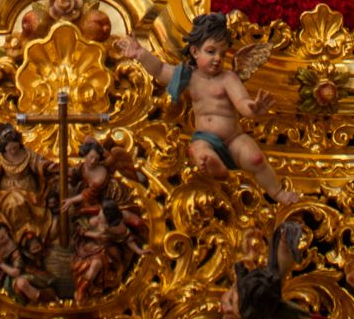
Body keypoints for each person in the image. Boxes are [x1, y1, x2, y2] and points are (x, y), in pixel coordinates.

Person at [115, 14, 299, 204]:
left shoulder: (228, 78)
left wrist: (254, 108)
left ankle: (277, 193)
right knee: (198, 151)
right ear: (195, 51)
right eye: (211, 51)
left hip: (234, 138)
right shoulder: (189, 77)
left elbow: (242, 102)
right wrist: (140, 54)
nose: (217, 58)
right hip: (206, 138)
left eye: (222, 53)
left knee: (256, 159)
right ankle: (214, 167)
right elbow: (161, 70)